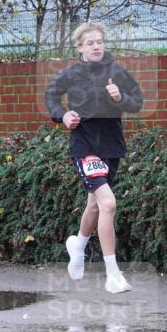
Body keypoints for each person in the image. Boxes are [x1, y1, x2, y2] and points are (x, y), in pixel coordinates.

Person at [45, 22, 143, 293]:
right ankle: (113, 274)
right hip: (84, 145)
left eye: (100, 41)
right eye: (90, 43)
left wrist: (120, 98)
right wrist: (63, 115)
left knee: (95, 206)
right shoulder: (70, 73)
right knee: (108, 204)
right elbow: (51, 96)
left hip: (111, 146)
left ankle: (78, 245)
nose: (97, 46)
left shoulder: (117, 72)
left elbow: (137, 102)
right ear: (80, 47)